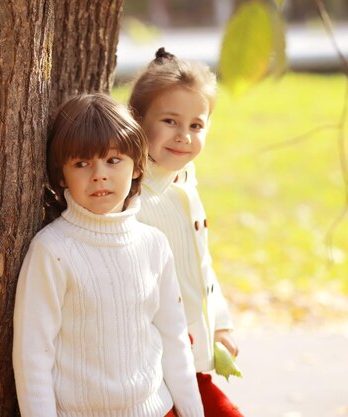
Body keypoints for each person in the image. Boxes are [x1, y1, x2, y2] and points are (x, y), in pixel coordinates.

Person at [12, 93, 204, 417]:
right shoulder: (52, 251)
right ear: (61, 176)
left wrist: (193, 412)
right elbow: (33, 356)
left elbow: (174, 340)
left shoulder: (153, 245)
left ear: (137, 166)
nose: (99, 174)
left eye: (113, 160)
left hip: (154, 410)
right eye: (82, 163)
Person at [129, 48, 244, 417]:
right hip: (150, 368)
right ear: (137, 119)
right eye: (169, 121)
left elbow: (201, 265)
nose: (184, 136)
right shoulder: (131, 195)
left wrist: (219, 325)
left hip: (193, 360)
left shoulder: (184, 184)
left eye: (196, 125)